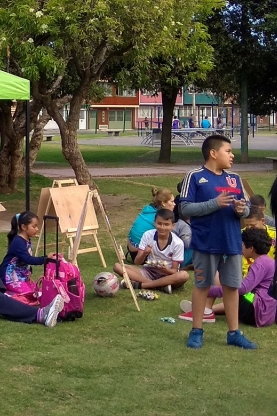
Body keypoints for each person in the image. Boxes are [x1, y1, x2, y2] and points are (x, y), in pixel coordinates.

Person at [180, 134, 253, 349]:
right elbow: (184, 208)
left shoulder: (235, 179)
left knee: (232, 287)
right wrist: (215, 203)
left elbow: (247, 209)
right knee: (202, 285)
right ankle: (196, 330)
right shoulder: (194, 176)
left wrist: (242, 210)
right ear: (213, 153)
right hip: (206, 242)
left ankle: (234, 333)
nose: (232, 155)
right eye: (228, 151)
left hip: (231, 242)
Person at [179, 228, 276, 328]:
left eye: (242, 244)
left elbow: (243, 288)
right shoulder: (269, 261)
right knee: (235, 287)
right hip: (266, 314)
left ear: (251, 248)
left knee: (222, 275)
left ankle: (205, 310)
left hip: (255, 311)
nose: (241, 247)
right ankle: (205, 309)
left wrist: (210, 291)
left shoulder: (260, 263)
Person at [114, 209, 189, 293]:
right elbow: (137, 262)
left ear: (173, 226)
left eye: (166, 224)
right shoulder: (148, 235)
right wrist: (145, 253)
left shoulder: (178, 243)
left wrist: (165, 270)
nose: (162, 227)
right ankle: (160, 286)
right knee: (117, 266)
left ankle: (142, 285)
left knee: (183, 275)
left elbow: (174, 271)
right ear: (154, 223)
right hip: (148, 272)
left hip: (167, 275)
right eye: (159, 223)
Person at [0, 212, 54, 304]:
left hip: (21, 277)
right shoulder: (18, 242)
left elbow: (25, 261)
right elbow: (27, 259)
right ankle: (6, 295)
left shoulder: (27, 240)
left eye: (37, 226)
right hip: (10, 278)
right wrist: (45, 259)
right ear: (23, 227)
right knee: (29, 296)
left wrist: (28, 272)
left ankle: (12, 293)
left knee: (37, 294)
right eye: (34, 226)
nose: (37, 229)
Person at [126, 188, 176, 261]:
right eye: (172, 201)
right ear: (163, 203)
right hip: (141, 254)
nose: (174, 204)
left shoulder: (148, 209)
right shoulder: (160, 217)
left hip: (131, 247)